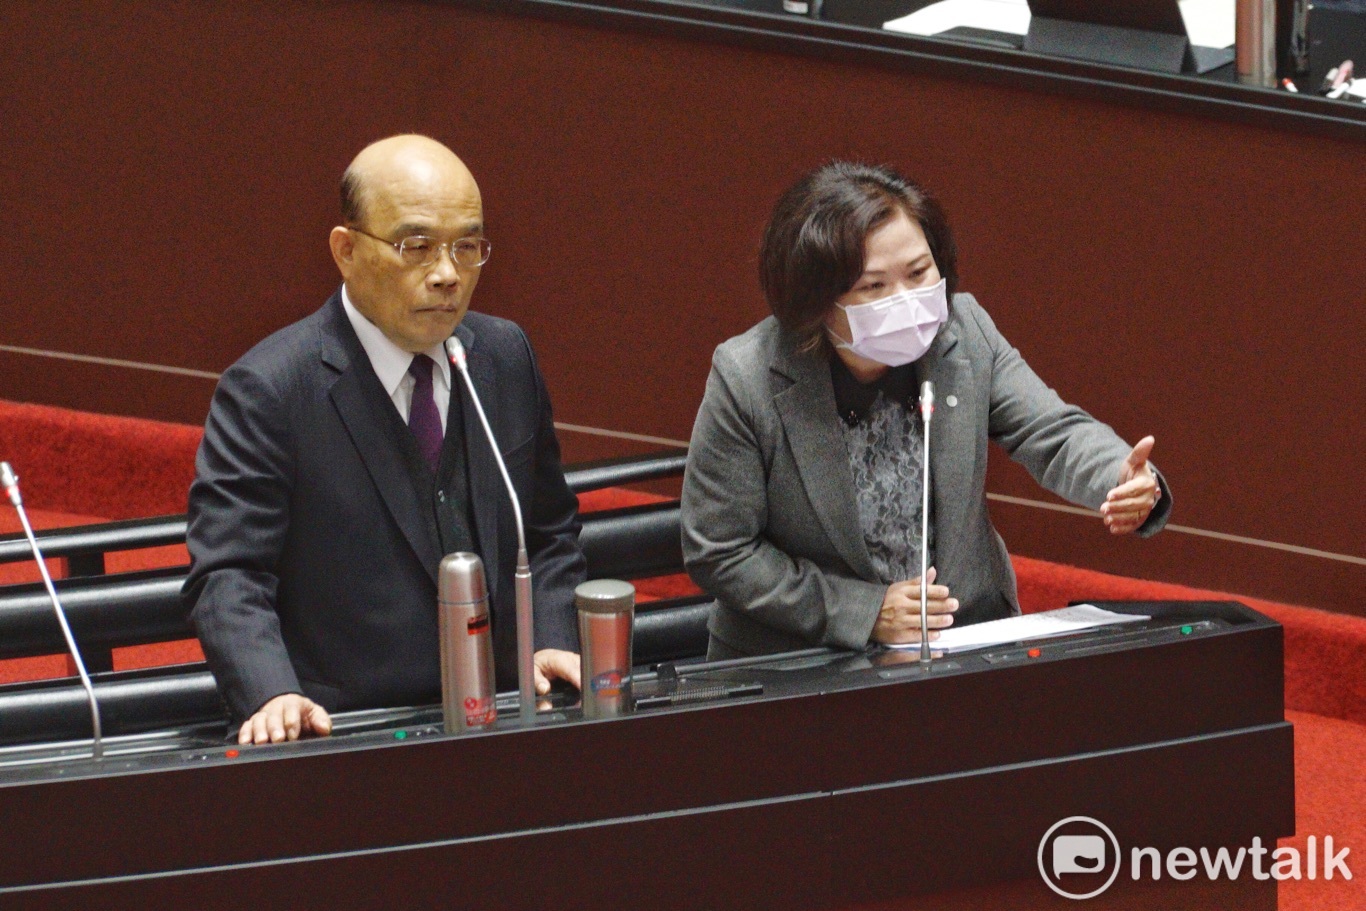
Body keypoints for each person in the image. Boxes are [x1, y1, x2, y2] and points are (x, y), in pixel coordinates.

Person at [183, 135, 585, 744]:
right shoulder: (270, 389)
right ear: (346, 251)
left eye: (468, 247)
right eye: (416, 247)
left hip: (507, 718)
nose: (448, 274)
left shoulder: (503, 357)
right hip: (351, 733)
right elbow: (230, 575)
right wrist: (272, 693)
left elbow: (548, 530)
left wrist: (551, 637)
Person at [681, 161, 1171, 659]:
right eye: (874, 287)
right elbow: (720, 550)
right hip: (806, 655)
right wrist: (865, 611)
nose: (908, 301)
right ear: (815, 300)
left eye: (919, 273)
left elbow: (1052, 430)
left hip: (966, 638)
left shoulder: (963, 330)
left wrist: (1119, 476)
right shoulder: (748, 377)